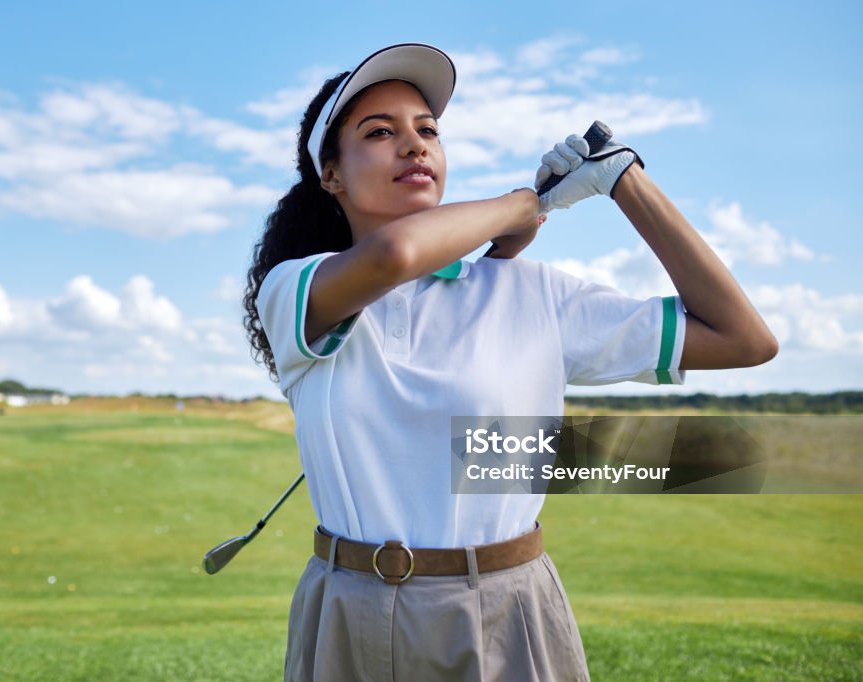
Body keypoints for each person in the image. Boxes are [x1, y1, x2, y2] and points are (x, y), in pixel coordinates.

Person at [243, 43, 777, 682]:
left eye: (428, 131)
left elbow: (744, 339)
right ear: (330, 174)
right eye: (380, 132)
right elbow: (392, 257)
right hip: (349, 609)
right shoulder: (295, 289)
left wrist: (622, 179)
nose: (414, 146)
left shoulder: (535, 294)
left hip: (507, 605)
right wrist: (528, 205)